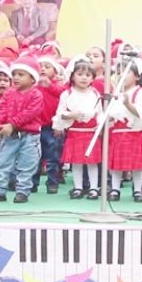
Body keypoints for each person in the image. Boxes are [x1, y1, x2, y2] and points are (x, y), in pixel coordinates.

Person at [0, 56, 44, 203]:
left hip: (30, 136)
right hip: (10, 136)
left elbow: (30, 113)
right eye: (14, 74)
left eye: (21, 74)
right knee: (3, 162)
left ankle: (22, 192)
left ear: (32, 78)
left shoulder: (36, 94)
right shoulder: (9, 93)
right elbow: (2, 110)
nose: (15, 77)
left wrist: (12, 124)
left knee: (27, 165)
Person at [53, 59, 103, 199]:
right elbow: (60, 113)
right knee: (76, 162)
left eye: (87, 75)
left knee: (92, 162)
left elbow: (100, 113)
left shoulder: (95, 94)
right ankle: (78, 187)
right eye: (80, 74)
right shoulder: (67, 94)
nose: (84, 78)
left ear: (92, 78)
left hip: (91, 132)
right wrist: (71, 115)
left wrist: (100, 125)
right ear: (73, 76)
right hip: (75, 132)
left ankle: (93, 188)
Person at [106, 59, 142, 203]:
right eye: (119, 72)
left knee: (136, 165)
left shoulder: (140, 92)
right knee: (116, 164)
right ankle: (115, 189)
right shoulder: (115, 94)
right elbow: (112, 115)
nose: (122, 75)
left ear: (137, 76)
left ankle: (137, 190)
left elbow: (140, 113)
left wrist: (127, 103)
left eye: (127, 72)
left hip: (134, 133)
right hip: (117, 133)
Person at [33, 55, 65, 194]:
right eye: (40, 66)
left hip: (52, 127)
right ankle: (32, 183)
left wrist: (50, 86)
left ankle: (52, 182)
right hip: (35, 127)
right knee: (34, 157)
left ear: (55, 72)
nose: (43, 69)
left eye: (47, 67)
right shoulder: (33, 86)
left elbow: (63, 96)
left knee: (53, 157)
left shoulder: (58, 86)